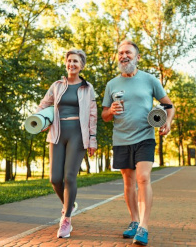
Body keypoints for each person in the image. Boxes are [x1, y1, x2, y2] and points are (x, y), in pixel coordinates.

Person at [101, 40, 175, 246]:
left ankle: (144, 226)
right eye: (120, 53)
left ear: (137, 57)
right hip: (121, 139)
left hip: (145, 137)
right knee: (128, 182)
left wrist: (167, 122)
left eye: (128, 53)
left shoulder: (150, 80)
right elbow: (104, 115)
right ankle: (133, 220)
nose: (124, 56)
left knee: (143, 178)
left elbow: (169, 105)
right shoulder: (111, 84)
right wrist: (110, 111)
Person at [35, 49, 97, 238]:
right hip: (57, 133)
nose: (72, 64)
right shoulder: (57, 86)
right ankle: (69, 204)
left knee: (70, 177)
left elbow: (93, 114)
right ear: (66, 63)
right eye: (69, 60)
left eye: (76, 61)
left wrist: (93, 139)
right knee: (54, 178)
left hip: (78, 134)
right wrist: (40, 119)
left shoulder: (88, 88)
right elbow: (43, 104)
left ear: (82, 65)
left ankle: (66, 220)